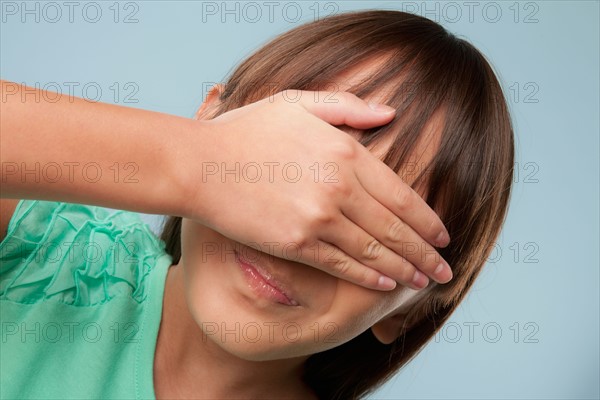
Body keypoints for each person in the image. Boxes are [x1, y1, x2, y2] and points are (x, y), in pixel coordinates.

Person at [0, 9, 514, 400]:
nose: (297, 232)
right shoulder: (46, 252)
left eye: (375, 223)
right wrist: (199, 161)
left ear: (414, 308)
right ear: (211, 119)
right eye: (288, 174)